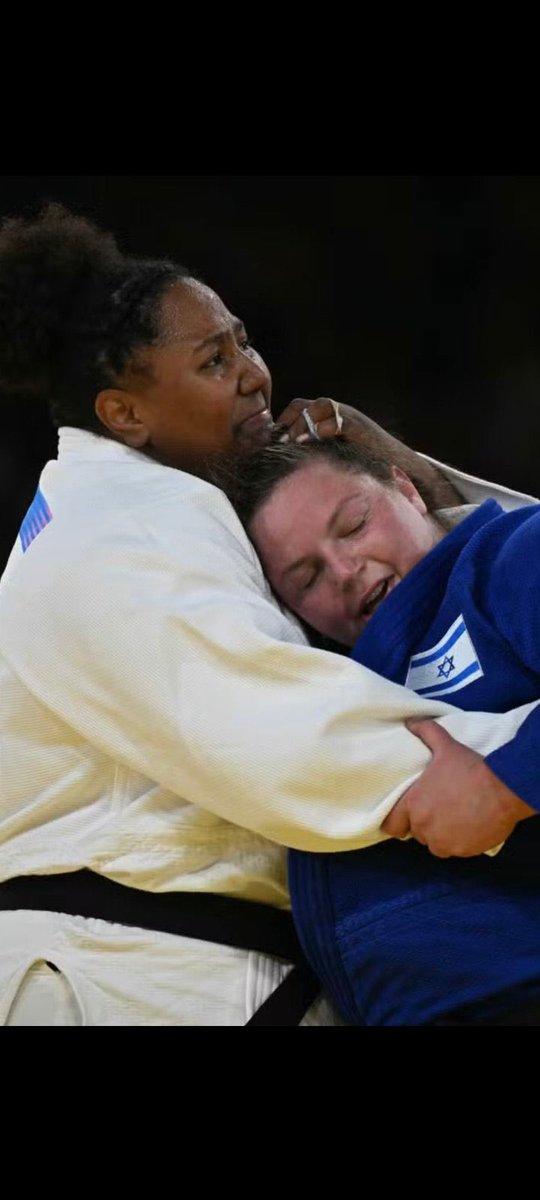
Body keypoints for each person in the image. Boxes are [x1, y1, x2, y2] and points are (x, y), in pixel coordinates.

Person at [0, 204, 536, 1027]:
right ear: (125, 414)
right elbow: (266, 725)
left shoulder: (148, 513)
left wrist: (396, 469)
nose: (254, 372)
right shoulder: (121, 527)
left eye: (243, 340)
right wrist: (502, 770)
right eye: (213, 359)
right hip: (124, 970)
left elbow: (487, 567)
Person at [228, 435, 540, 1024]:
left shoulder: (512, 556)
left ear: (406, 489)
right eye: (307, 578)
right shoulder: (322, 685)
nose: (345, 571)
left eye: (353, 526)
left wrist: (505, 787)